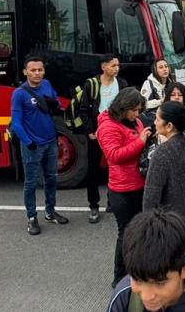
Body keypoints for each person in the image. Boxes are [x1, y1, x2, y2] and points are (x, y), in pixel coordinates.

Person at [97, 87, 154, 286]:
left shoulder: (134, 121)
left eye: (139, 110)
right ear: (123, 107)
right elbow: (114, 156)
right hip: (122, 189)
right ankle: (119, 278)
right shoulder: (107, 126)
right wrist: (140, 141)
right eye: (134, 110)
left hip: (139, 183)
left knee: (140, 232)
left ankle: (137, 271)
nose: (137, 115)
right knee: (126, 233)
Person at [11, 55, 68, 235]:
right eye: (33, 70)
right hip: (32, 146)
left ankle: (50, 213)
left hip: (51, 142)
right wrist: (29, 142)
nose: (37, 73)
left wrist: (55, 104)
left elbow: (56, 103)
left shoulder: (47, 84)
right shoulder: (19, 94)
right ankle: (31, 217)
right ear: (25, 72)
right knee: (31, 183)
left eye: (40, 70)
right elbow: (16, 122)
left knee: (51, 179)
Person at [143, 100, 185, 252]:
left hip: (170, 227)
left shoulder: (162, 153)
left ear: (169, 126)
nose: (154, 122)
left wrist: (147, 228)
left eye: (157, 119)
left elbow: (151, 198)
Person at [78, 53, 129, 224]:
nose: (117, 68)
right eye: (113, 65)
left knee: (114, 167)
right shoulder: (92, 84)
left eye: (118, 65)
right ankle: (93, 206)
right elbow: (83, 109)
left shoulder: (122, 84)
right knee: (93, 170)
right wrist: (90, 131)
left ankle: (111, 202)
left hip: (116, 133)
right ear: (103, 67)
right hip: (97, 134)